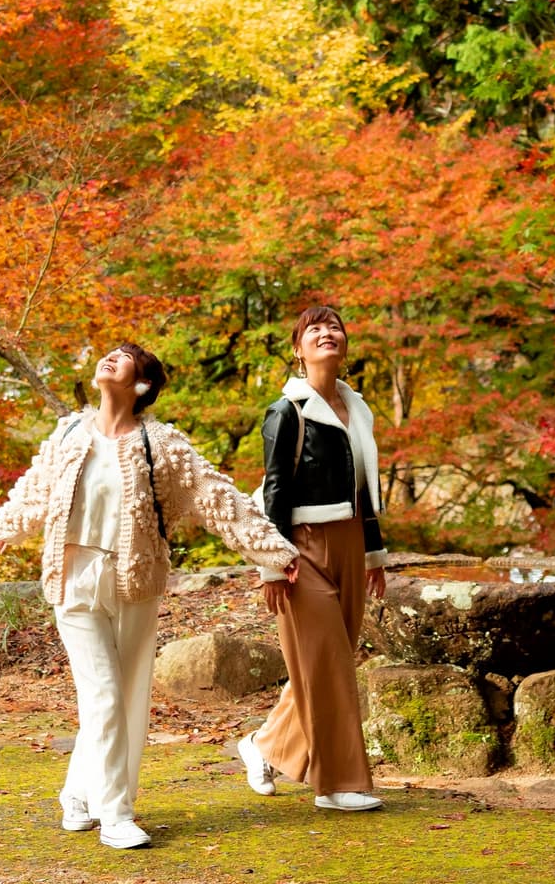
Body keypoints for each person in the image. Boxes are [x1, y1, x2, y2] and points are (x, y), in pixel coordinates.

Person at [0, 343, 299, 849]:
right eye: (106, 353)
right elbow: (36, 489)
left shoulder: (162, 445)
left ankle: (78, 795)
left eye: (123, 357)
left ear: (142, 385)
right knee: (103, 693)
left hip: (136, 580)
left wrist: (273, 551)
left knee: (124, 697)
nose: (109, 358)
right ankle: (116, 814)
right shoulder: (68, 432)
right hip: (74, 577)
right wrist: (6, 523)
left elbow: (217, 499)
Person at [238, 306, 388, 812]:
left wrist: (374, 553)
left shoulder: (358, 408)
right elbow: (274, 490)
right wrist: (270, 565)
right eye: (313, 330)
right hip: (300, 548)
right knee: (328, 664)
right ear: (299, 350)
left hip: (349, 542)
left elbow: (367, 489)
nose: (327, 333)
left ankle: (264, 745)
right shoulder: (287, 411)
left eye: (335, 326)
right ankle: (337, 783)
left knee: (330, 661)